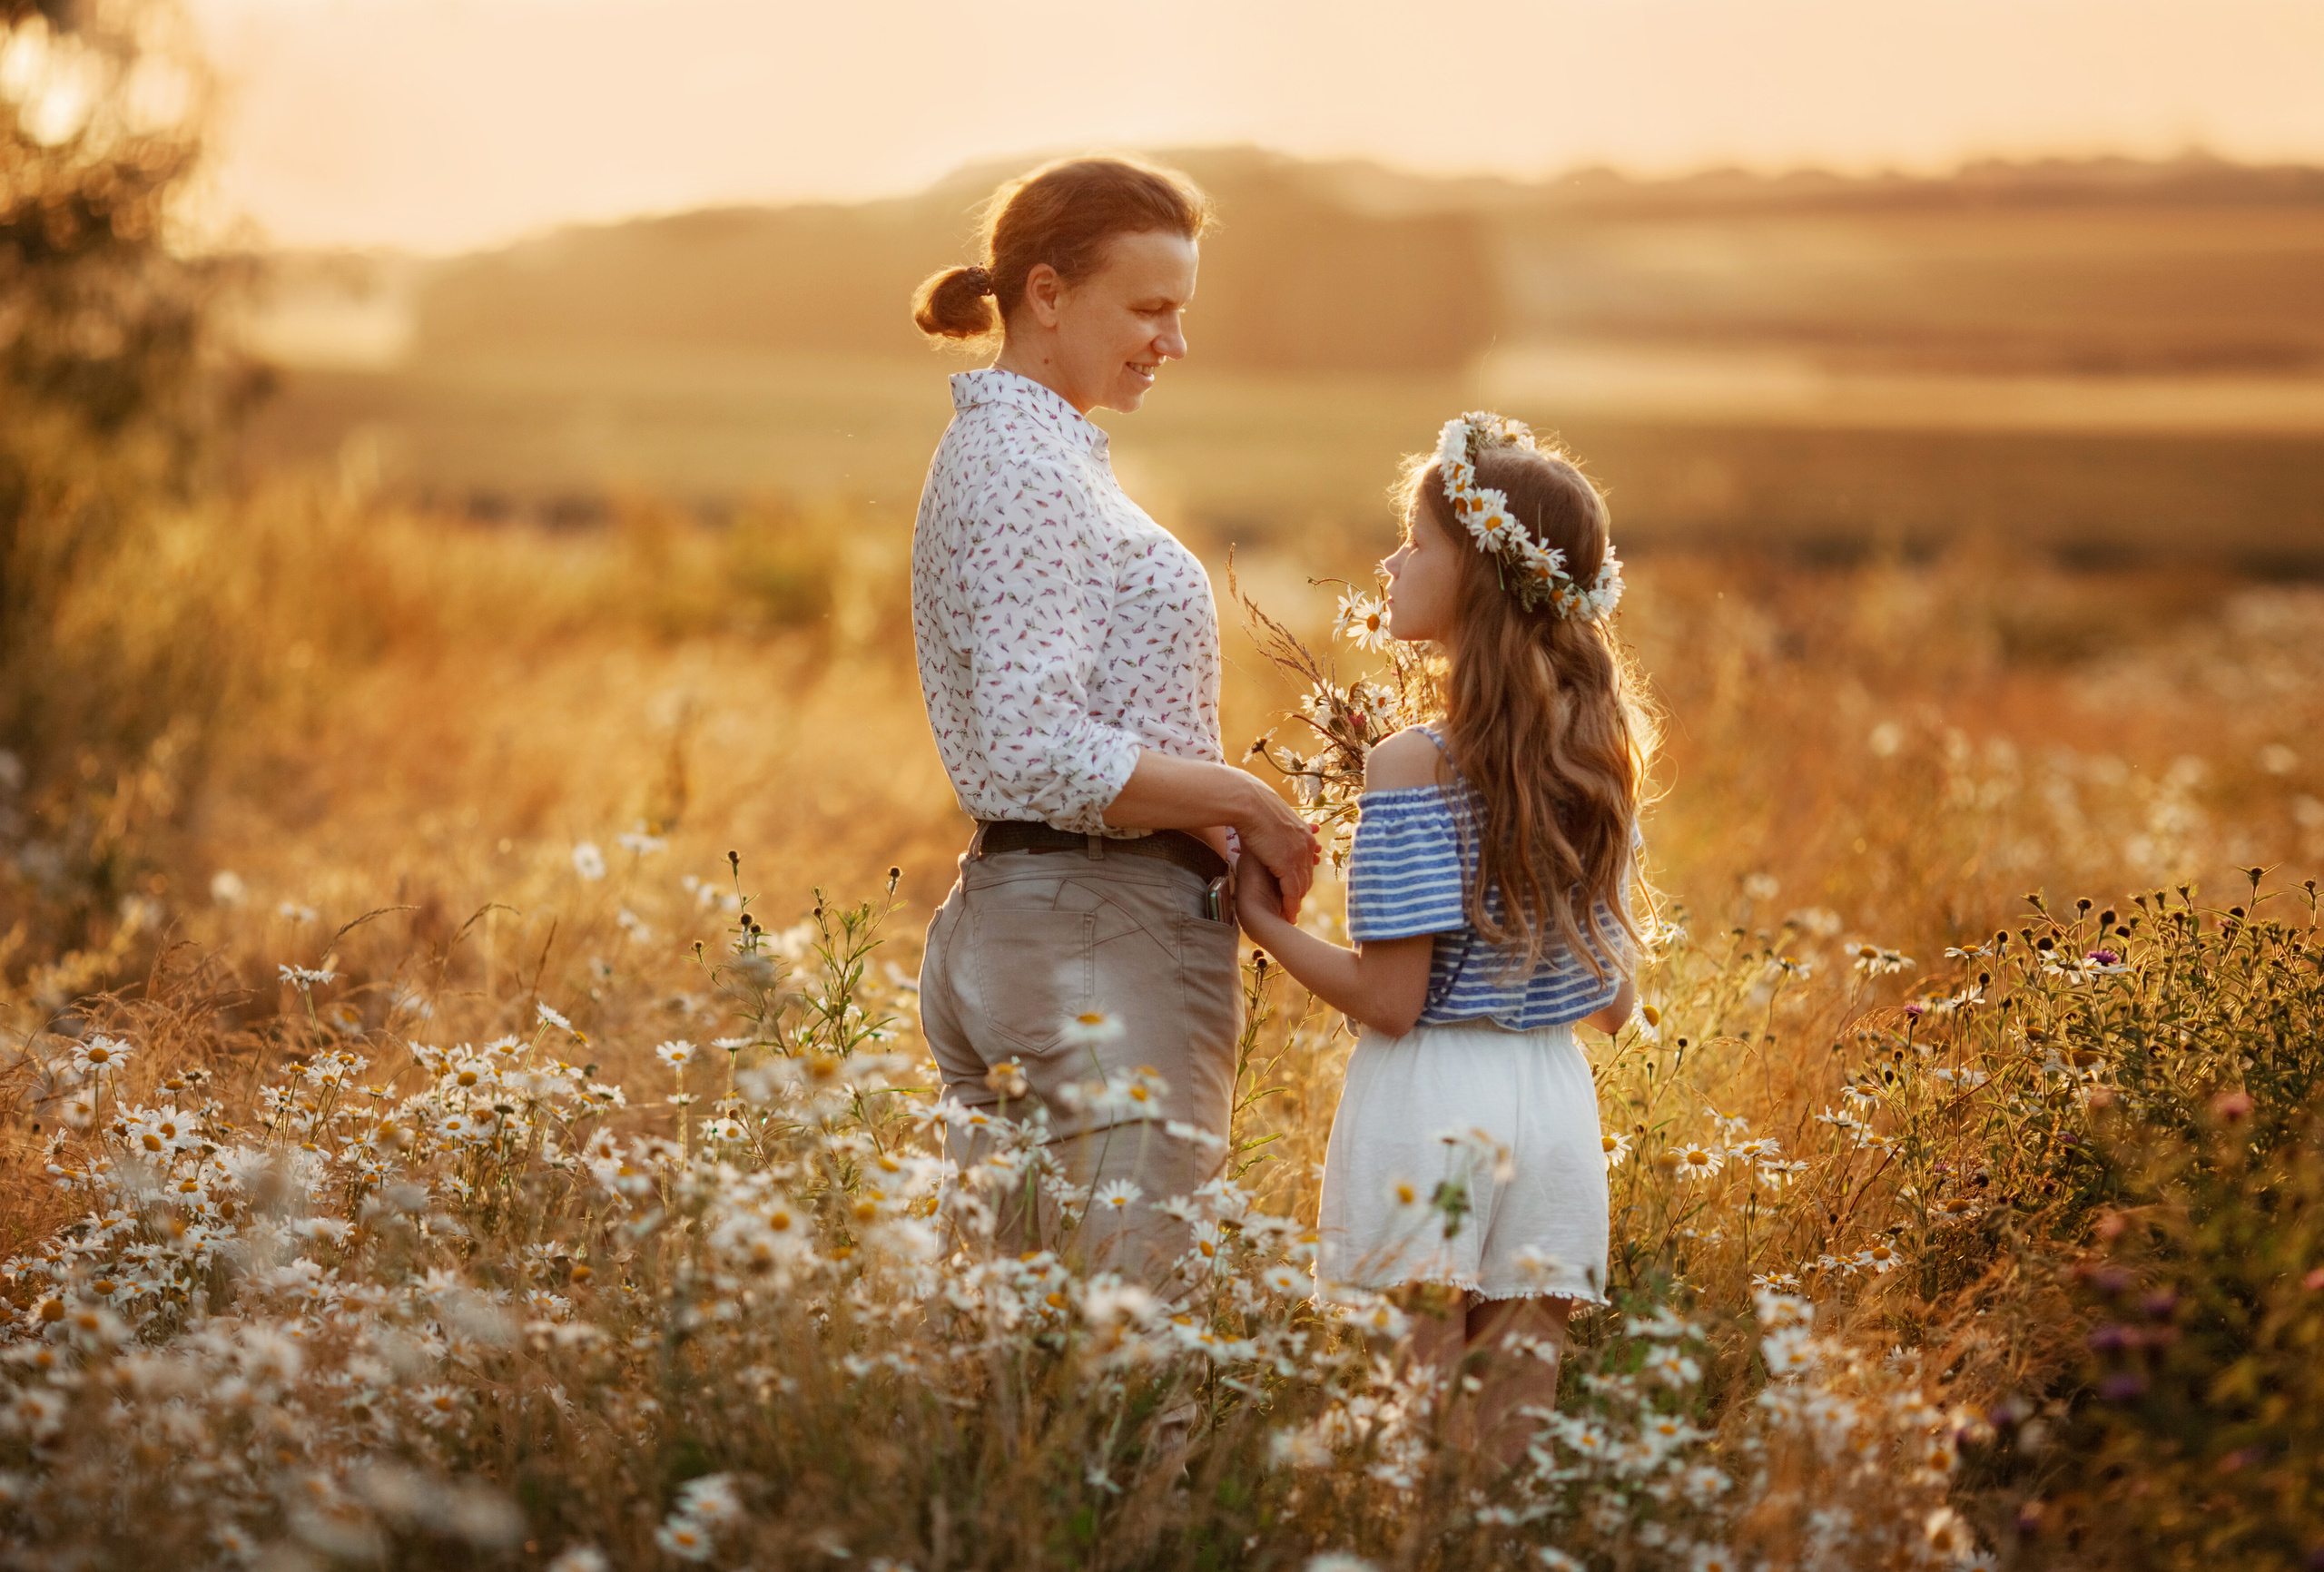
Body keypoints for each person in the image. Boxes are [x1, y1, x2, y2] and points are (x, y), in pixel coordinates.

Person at [907, 156, 1320, 1281]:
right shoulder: (1026, 468)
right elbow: (1029, 747)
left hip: (1044, 926)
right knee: (1122, 1352)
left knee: (1021, 1359)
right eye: (1148, 309)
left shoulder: (1031, 454)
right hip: (1091, 935)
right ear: (1046, 295)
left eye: (1179, 312)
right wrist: (1248, 805)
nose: (1170, 343)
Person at [1235, 411, 1649, 1464]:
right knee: (1505, 1454)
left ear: (1475, 574)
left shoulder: (1414, 764)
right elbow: (1616, 1000)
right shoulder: (1594, 756)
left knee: (1404, 1445)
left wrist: (1257, 919)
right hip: (1553, 1107)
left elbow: (1392, 1000)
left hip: (1432, 1105)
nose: (1390, 561)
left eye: (1415, 543)